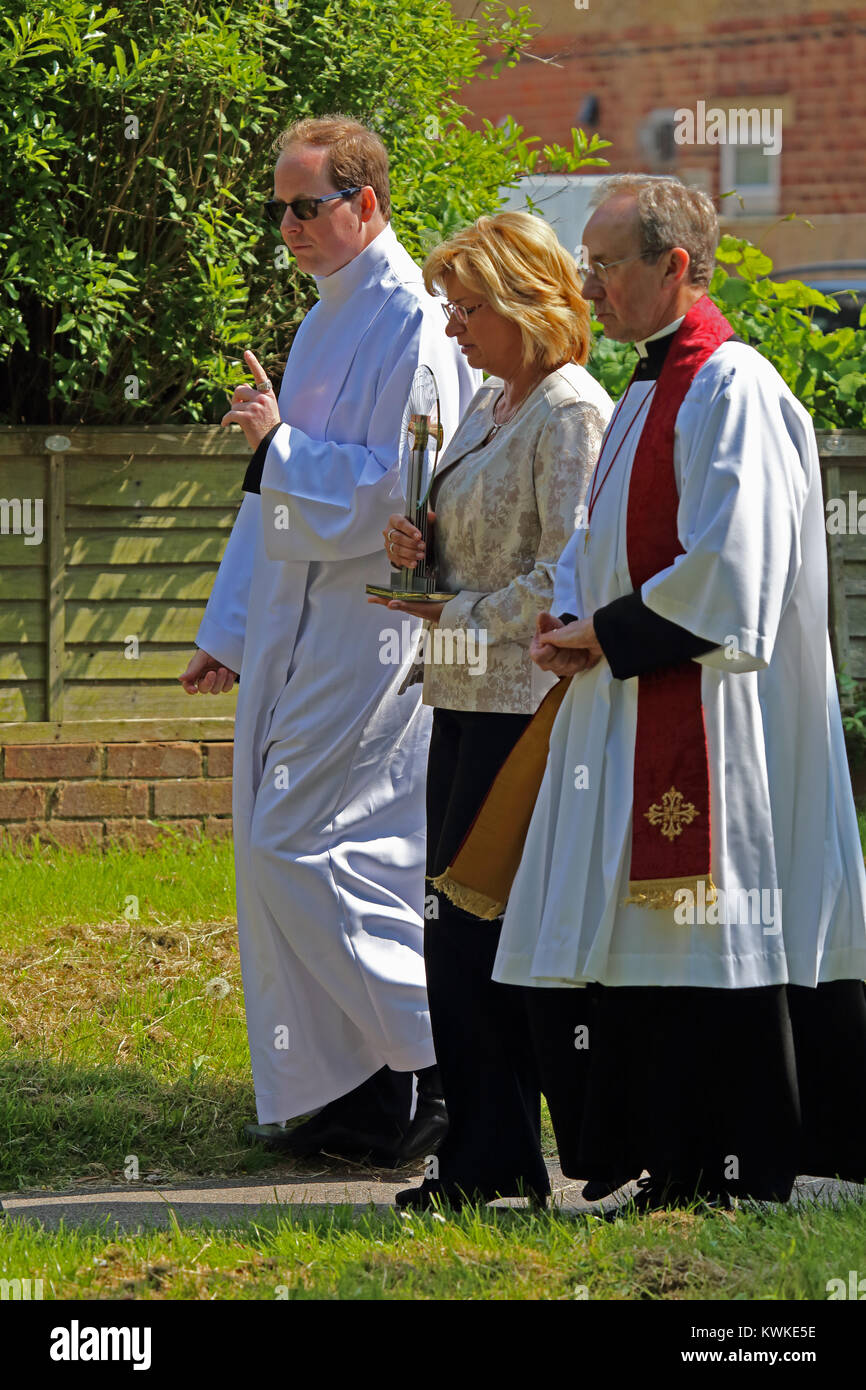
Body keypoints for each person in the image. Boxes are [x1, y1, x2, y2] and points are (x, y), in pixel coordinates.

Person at [494, 174, 866, 1211]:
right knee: (644, 940)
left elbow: (728, 571)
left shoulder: (729, 386)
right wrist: (568, 614)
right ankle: (674, 1157)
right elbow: (596, 541)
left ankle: (726, 1164)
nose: (588, 283)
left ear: (672, 266)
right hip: (632, 693)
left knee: (703, 929)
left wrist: (604, 633)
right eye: (586, 262)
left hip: (709, 717)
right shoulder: (647, 390)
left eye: (605, 263)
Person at [178, 116, 479, 1166]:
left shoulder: (416, 322)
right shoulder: (321, 319)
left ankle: (439, 1064)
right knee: (286, 854)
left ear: (366, 202)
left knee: (299, 846)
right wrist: (227, 629)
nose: (289, 226)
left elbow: (408, 495)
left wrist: (278, 443)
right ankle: (360, 1085)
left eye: (307, 206)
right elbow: (274, 495)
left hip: (372, 625)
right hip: (298, 625)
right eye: (281, 209)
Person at [368, 212, 612, 1208]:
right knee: (451, 935)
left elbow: (568, 571)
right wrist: (415, 545)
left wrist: (453, 606)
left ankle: (501, 1161)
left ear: (523, 302)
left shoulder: (568, 411)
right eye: (447, 309)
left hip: (522, 705)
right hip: (461, 687)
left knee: (480, 937)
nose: (454, 329)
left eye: (467, 309)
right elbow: (466, 533)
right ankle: (486, 1151)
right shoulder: (486, 399)